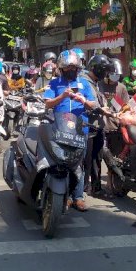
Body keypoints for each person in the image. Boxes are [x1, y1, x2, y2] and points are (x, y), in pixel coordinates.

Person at [43, 50, 98, 211]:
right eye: (67, 67)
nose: (71, 70)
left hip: (80, 129)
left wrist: (84, 100)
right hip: (59, 127)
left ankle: (78, 197)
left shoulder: (85, 84)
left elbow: (94, 105)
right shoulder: (54, 84)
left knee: (78, 164)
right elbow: (48, 104)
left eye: (74, 67)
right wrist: (63, 96)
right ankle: (63, 195)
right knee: (60, 161)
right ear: (61, 68)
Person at [82, 54, 114, 196]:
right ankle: (83, 188)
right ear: (98, 69)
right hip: (87, 126)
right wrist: (102, 110)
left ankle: (96, 187)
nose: (106, 74)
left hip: (98, 126)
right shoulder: (84, 82)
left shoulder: (95, 83)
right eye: (105, 70)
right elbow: (87, 103)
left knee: (97, 158)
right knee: (86, 160)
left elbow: (101, 101)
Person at [99, 58, 130, 156]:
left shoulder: (121, 88)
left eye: (117, 75)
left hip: (115, 129)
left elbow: (126, 107)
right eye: (113, 74)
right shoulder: (98, 85)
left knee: (114, 158)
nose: (115, 77)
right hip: (100, 128)